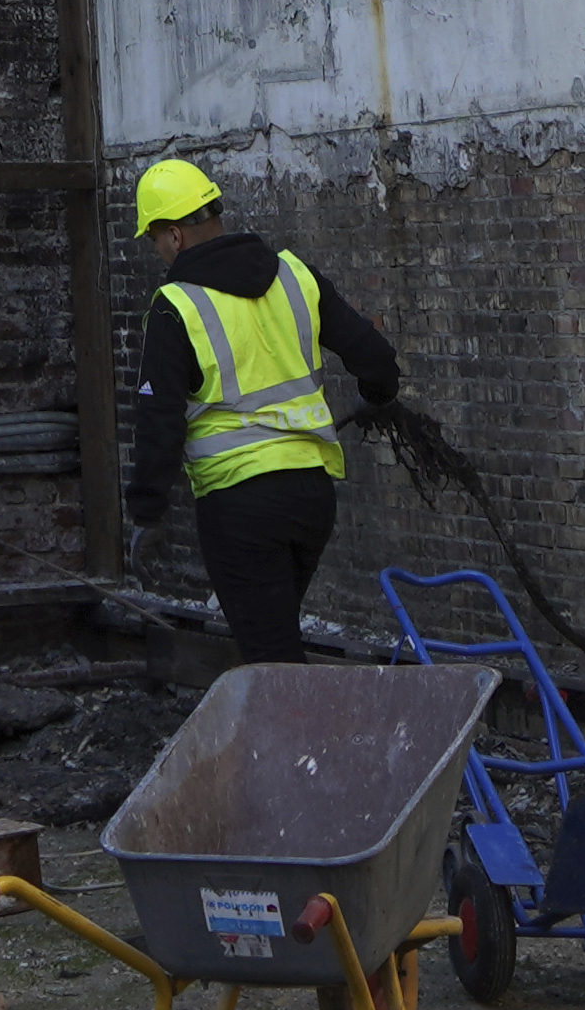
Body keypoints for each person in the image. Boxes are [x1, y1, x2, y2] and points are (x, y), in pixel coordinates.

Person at [120, 159, 402, 667]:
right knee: (275, 640)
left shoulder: (175, 306)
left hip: (239, 507)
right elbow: (377, 359)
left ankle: (306, 744)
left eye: (155, 239)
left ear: (176, 237)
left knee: (271, 661)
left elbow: (158, 423)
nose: (157, 251)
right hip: (312, 496)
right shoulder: (296, 276)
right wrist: (376, 398)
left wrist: (147, 514)